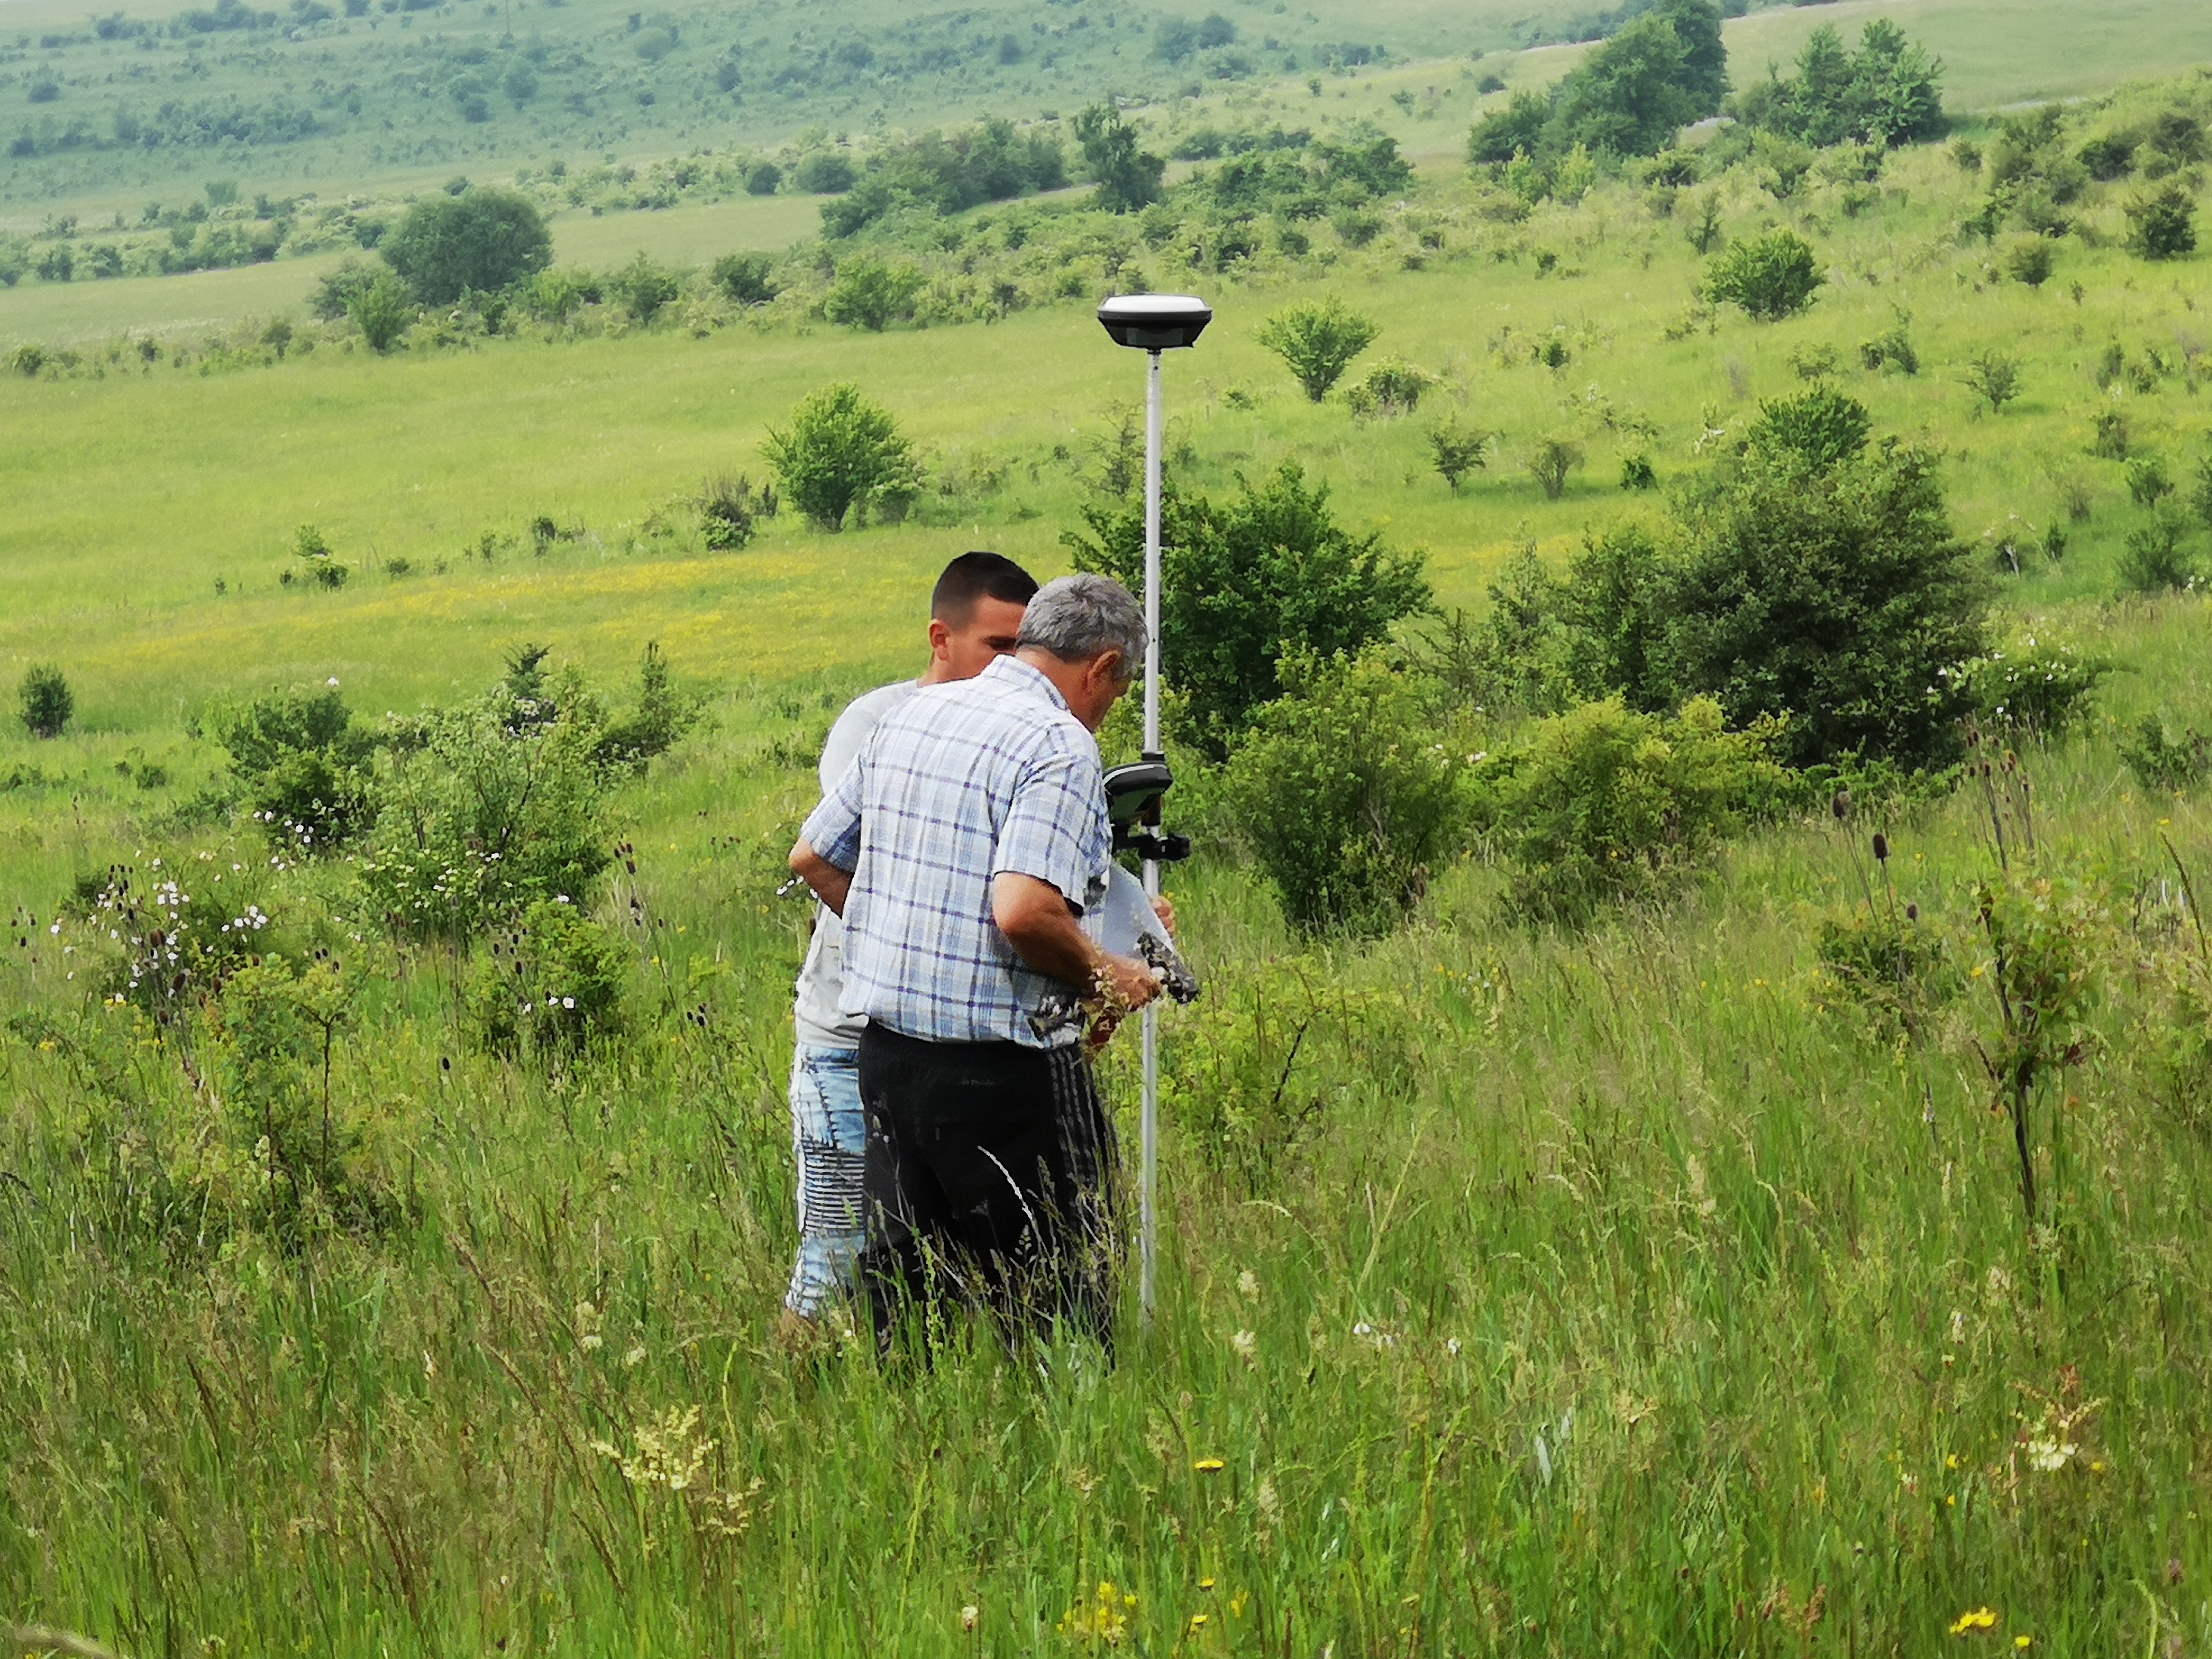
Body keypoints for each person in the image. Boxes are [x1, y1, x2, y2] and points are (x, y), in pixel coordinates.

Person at [788, 572, 1159, 1354]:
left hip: (888, 1060)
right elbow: (1023, 909)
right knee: (1062, 1295)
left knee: (911, 1306)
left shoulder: (917, 712)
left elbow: (815, 855)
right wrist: (1108, 975)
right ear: (1101, 669)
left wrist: (896, 930)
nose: (1105, 712)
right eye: (1114, 694)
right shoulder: (1058, 744)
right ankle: (1072, 1453)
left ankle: (917, 1452)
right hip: (1004, 1070)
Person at [778, 551, 1039, 1348]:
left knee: (947, 1264)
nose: (1014, 668)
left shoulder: (1023, 737)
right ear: (940, 637)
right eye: (998, 646)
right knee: (832, 1254)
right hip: (844, 1042)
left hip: (945, 1056)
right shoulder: (875, 724)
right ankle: (782, 1416)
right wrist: (903, 940)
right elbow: (834, 854)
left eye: (1026, 650)